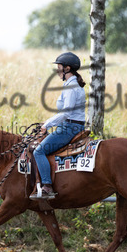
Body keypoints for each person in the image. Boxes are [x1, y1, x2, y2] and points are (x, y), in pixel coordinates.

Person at [31, 52, 86, 200]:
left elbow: (66, 113)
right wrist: (47, 123)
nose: (57, 70)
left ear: (67, 68)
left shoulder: (71, 87)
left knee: (39, 151)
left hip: (69, 127)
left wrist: (48, 124)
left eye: (59, 67)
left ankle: (47, 186)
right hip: (69, 125)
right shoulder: (70, 85)